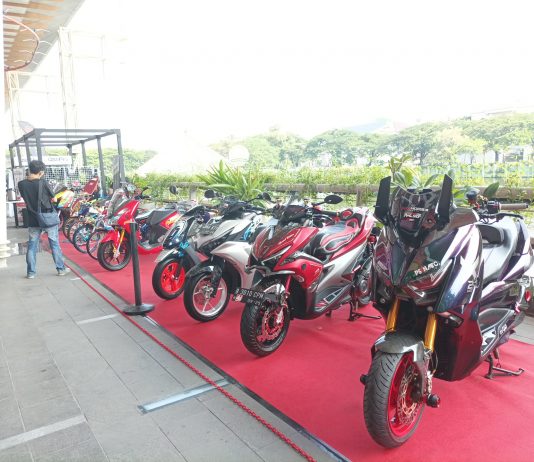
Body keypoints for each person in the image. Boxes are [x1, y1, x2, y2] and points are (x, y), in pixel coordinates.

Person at [18, 160, 70, 279]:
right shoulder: (43, 182)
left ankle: (31, 273)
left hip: (32, 218)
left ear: (29, 169)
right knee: (54, 244)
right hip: (48, 218)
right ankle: (61, 269)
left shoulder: (21, 184)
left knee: (32, 245)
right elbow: (54, 199)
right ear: (41, 172)